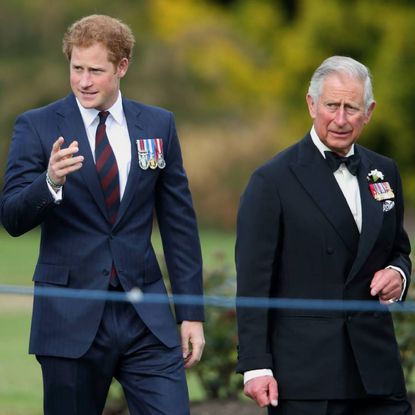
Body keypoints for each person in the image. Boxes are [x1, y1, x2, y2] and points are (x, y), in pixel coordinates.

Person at [0, 14, 205, 415]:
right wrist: (50, 182)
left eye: (96, 70)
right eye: (77, 68)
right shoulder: (37, 126)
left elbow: (179, 226)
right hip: (68, 317)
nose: (83, 81)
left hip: (145, 317)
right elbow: (11, 217)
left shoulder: (158, 126)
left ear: (122, 67)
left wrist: (191, 314)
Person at [235, 56, 412, 414]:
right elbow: (254, 283)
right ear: (312, 104)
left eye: (352, 107)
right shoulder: (271, 181)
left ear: (370, 111)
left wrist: (399, 274)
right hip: (306, 378)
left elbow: (398, 250)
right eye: (332, 105)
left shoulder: (385, 171)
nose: (341, 119)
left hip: (377, 370)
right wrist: (256, 366)